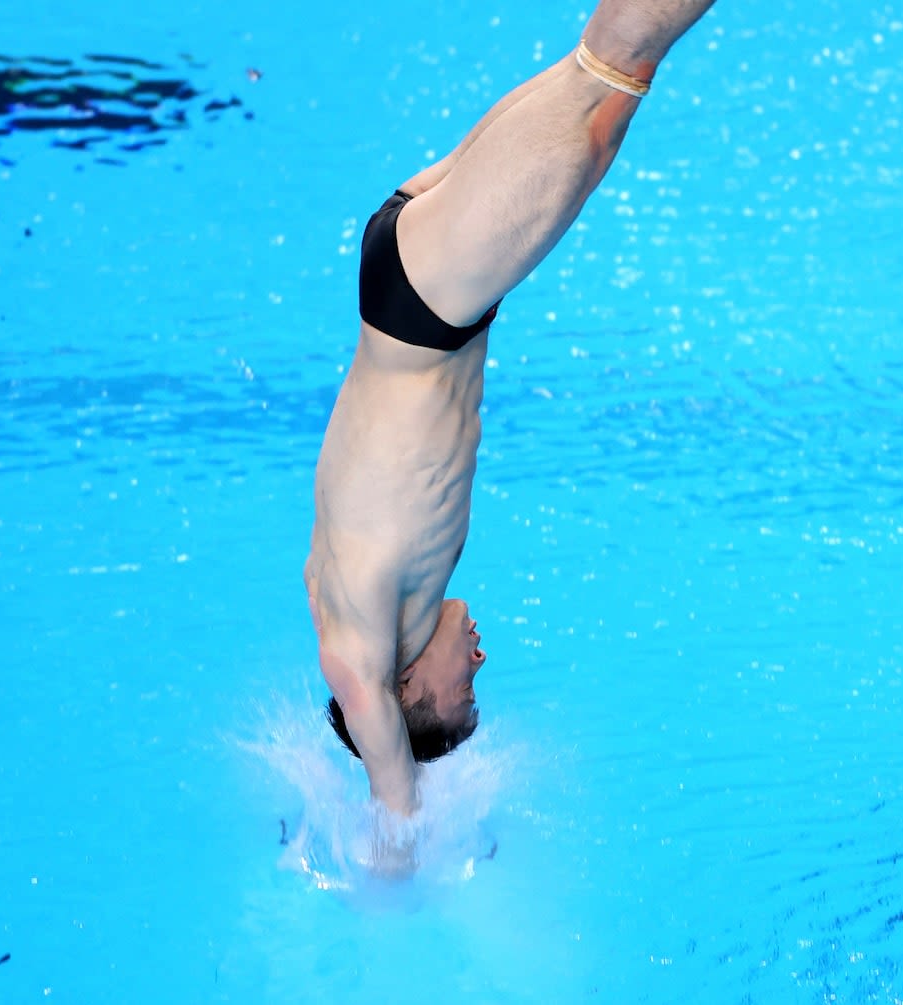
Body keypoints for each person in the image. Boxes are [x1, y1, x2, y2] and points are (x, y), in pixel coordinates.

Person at [304, 0, 717, 820]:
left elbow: (383, 763)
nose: (480, 665)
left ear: (407, 687)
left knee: (617, 57)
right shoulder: (368, 596)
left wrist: (398, 848)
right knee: (606, 98)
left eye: (464, 694)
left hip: (432, 300)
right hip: (424, 290)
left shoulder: (360, 640)